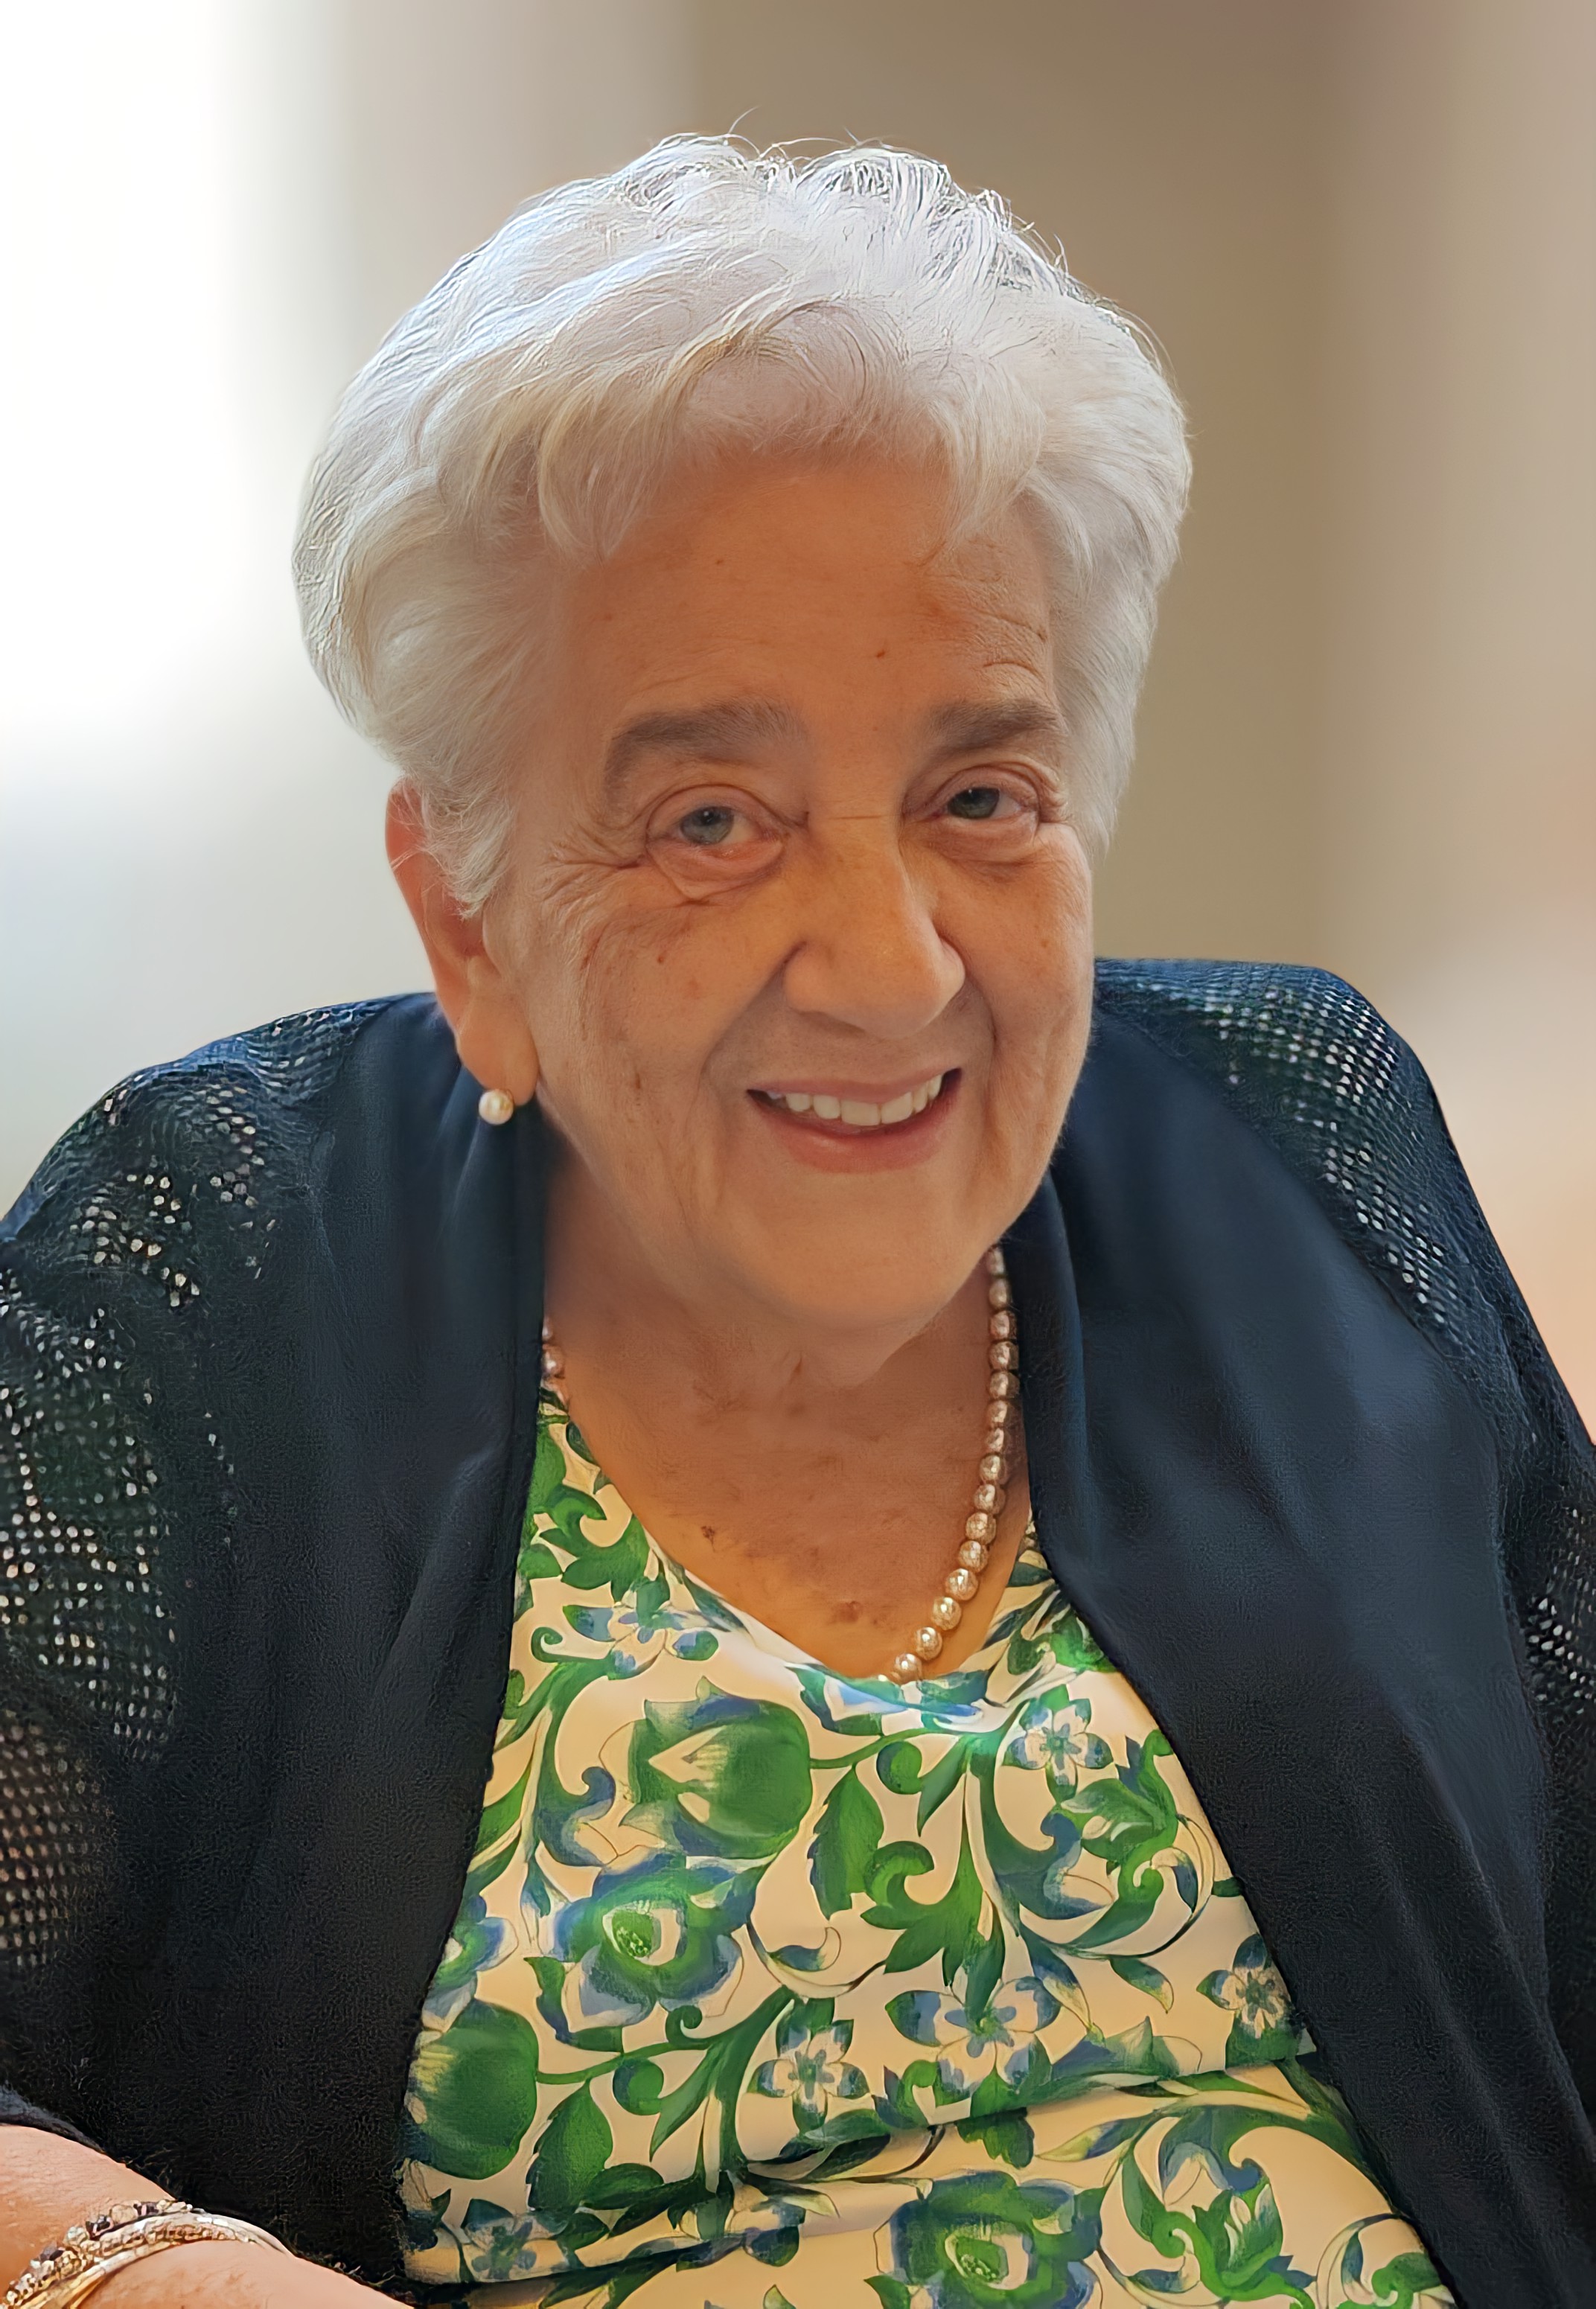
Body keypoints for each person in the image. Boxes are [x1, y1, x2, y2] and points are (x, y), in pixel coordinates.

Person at [1, 139, 1592, 2309]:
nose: (890, 964)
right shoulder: (220, 1253)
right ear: (465, 920)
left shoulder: (1293, 1146)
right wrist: (158, 2275)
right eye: (712, 821)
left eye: (980, 797)